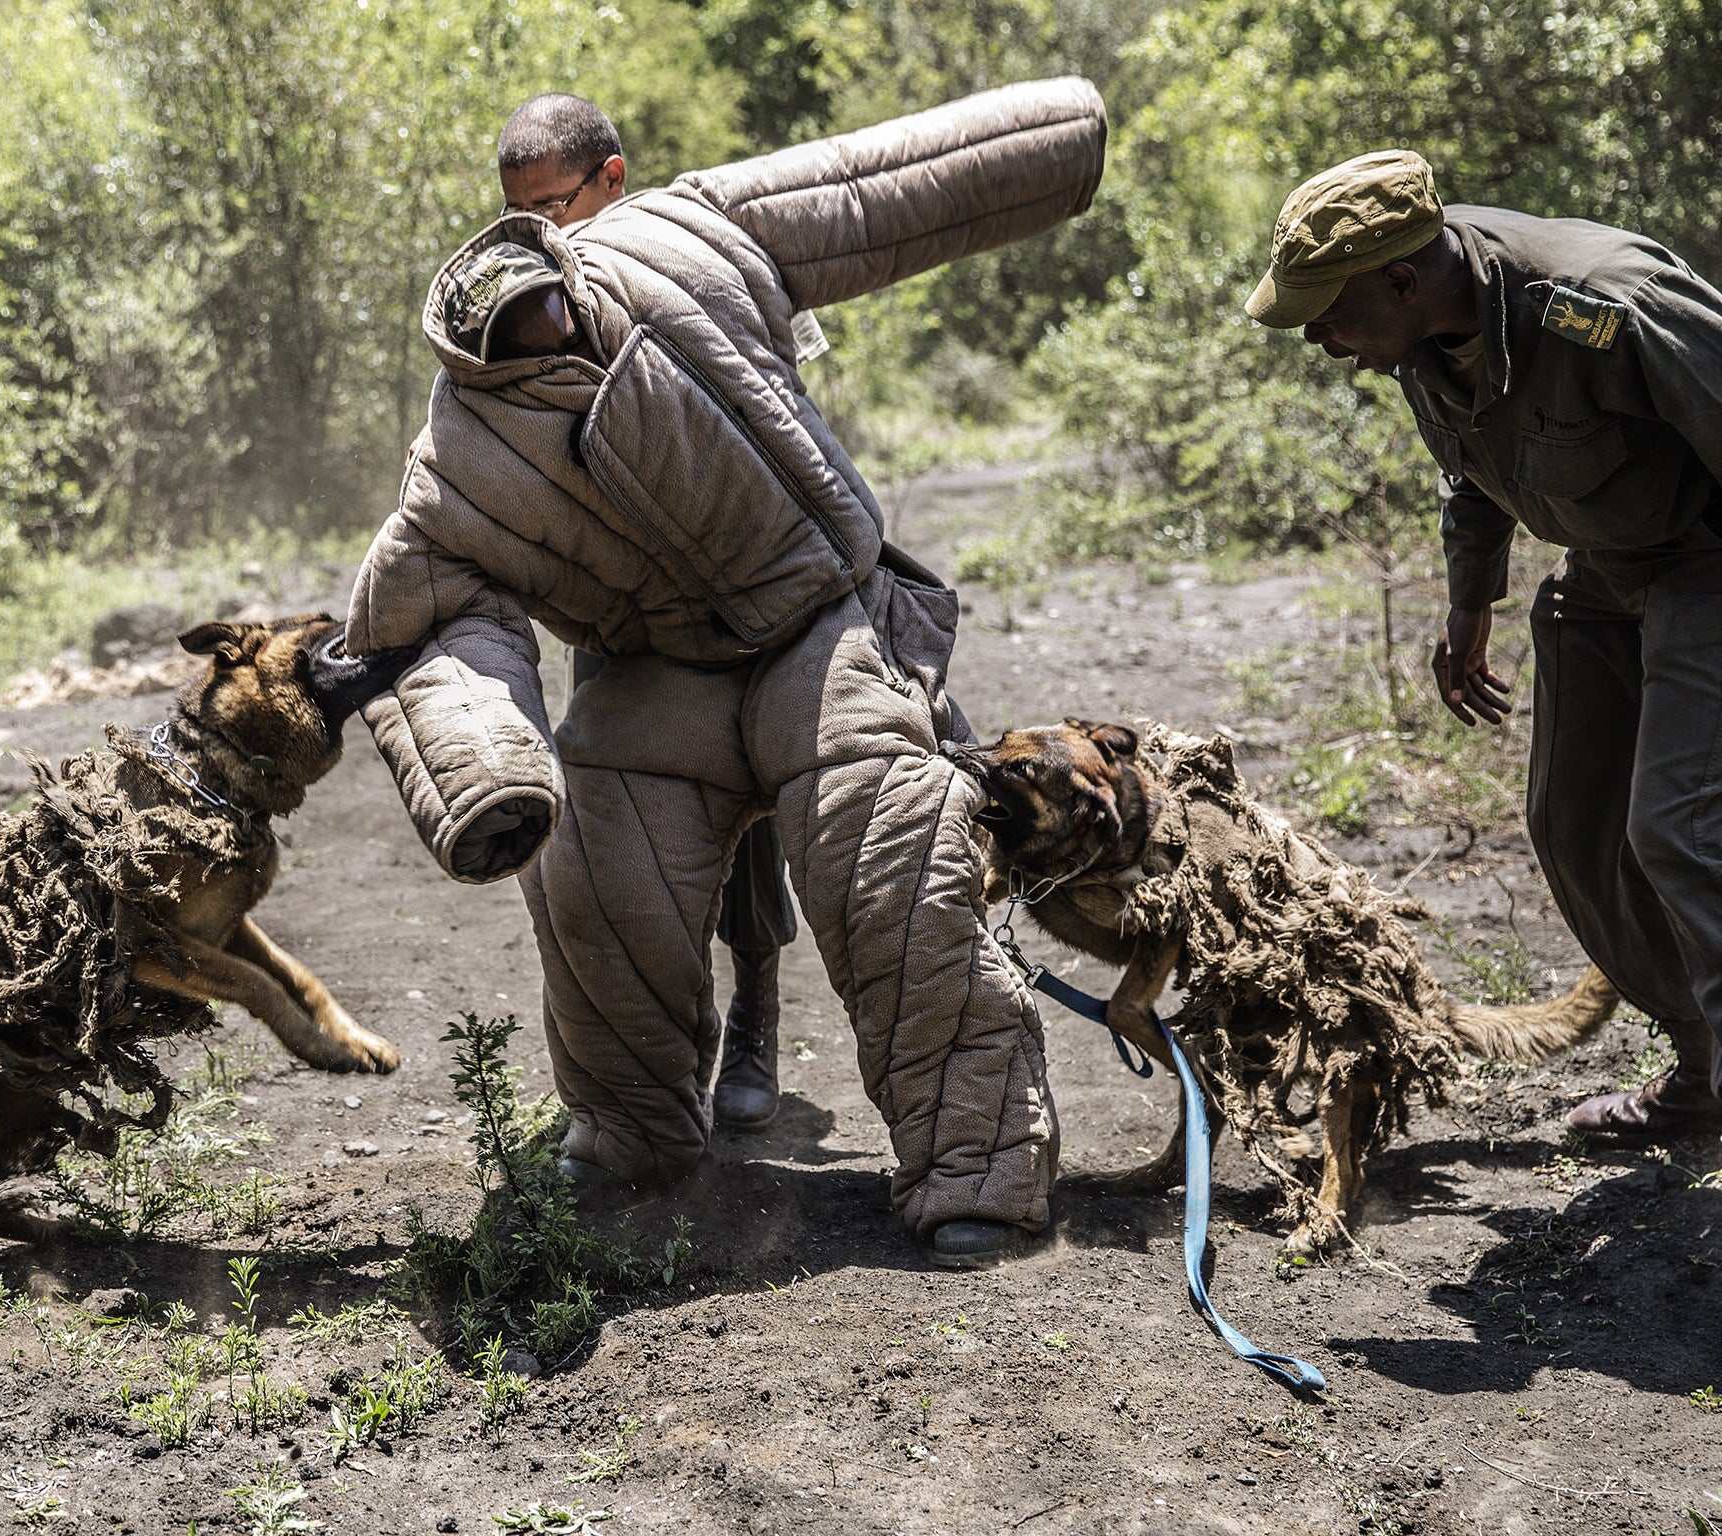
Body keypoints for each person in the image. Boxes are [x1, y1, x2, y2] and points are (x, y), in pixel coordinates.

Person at [346, 79, 1108, 1266]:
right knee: (592, 873)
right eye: (530, 337)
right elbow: (431, 617)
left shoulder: (676, 239)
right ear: (484, 355)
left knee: (890, 853)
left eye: (560, 303)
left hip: (826, 622)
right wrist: (483, 769)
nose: (561, 326)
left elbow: (862, 193)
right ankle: (630, 1139)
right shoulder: (459, 458)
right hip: (654, 675)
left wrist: (1056, 140)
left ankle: (974, 1165)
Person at [1246, 150, 1722, 1143]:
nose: (1322, 342)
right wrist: (1470, 602)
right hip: (1599, 565)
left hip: (1701, 562)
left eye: (1326, 316)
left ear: (1400, 281)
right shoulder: (1418, 335)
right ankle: (1700, 1063)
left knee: (1672, 827)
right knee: (1570, 822)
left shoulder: (1600, 304)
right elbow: (1472, 468)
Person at [493, 93, 799, 1131]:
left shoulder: (693, 257)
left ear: (611, 180)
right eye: (519, 211)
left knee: (746, 810)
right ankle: (664, 1051)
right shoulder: (525, 288)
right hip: (610, 609)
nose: (540, 228)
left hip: (729, 584)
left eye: (553, 203)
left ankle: (755, 1011)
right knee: (610, 821)